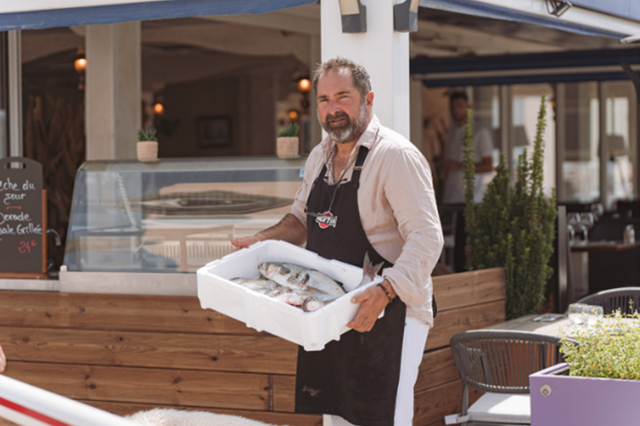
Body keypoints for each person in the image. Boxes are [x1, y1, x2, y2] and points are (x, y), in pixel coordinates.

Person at [231, 57, 443, 426]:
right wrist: (260, 242)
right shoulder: (320, 156)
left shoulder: (395, 157)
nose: (333, 110)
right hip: (329, 309)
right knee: (338, 416)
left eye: (343, 97)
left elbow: (426, 238)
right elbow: (300, 220)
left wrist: (385, 291)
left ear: (368, 100)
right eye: (324, 100)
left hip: (390, 312)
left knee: (382, 417)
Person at [441, 91, 494, 204]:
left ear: (468, 107)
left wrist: (459, 166)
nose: (456, 110)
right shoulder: (450, 134)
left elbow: (488, 166)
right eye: (453, 107)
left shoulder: (480, 132)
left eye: (460, 106)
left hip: (471, 199)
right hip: (450, 198)